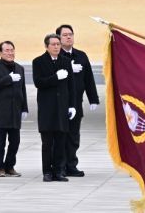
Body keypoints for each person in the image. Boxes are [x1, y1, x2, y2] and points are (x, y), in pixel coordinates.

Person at [56, 24, 99, 177]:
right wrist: (68, 68)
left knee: (73, 135)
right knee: (60, 135)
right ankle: (59, 166)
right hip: (59, 103)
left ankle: (71, 165)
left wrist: (93, 98)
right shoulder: (55, 56)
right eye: (65, 35)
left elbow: (89, 78)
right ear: (58, 38)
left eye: (71, 34)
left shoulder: (81, 55)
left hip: (76, 102)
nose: (68, 37)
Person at [33, 33, 75, 182]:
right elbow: (39, 82)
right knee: (47, 143)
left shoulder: (66, 61)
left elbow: (71, 86)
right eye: (53, 44)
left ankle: (58, 171)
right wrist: (55, 77)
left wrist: (72, 105)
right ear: (47, 46)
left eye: (58, 44)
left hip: (62, 108)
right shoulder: (38, 62)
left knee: (60, 142)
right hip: (47, 109)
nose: (56, 47)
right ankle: (47, 172)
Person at [0, 41, 28, 177]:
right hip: (0, 111)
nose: (10, 53)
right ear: (0, 53)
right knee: (0, 143)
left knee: (15, 142)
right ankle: (0, 168)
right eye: (7, 50)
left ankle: (10, 166)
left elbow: (23, 89)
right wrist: (9, 79)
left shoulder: (19, 68)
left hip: (15, 111)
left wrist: (24, 108)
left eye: (12, 50)